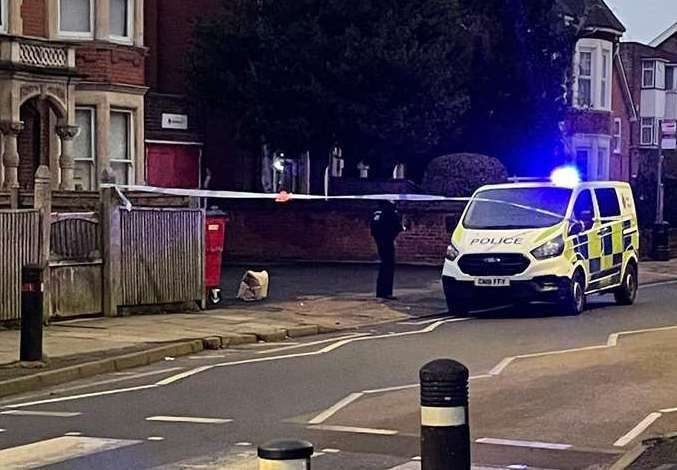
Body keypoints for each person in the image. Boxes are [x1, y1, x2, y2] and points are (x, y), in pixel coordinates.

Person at [370, 200, 404, 299]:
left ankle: (380, 291)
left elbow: (373, 229)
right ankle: (386, 292)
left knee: (383, 265)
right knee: (388, 265)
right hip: (387, 241)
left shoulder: (377, 211)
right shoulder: (390, 211)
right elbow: (397, 227)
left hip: (379, 241)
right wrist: (391, 237)